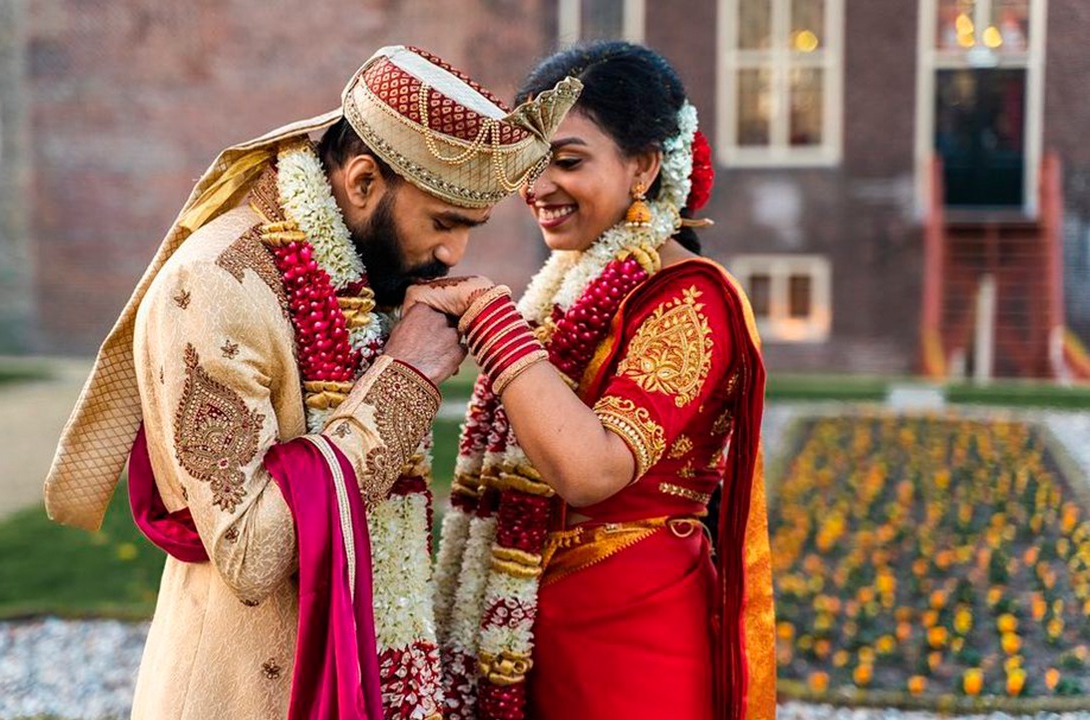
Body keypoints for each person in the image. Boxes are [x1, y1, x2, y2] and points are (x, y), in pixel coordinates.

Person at [42, 45, 580, 720]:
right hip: (244, 693)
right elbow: (250, 552)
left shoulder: (360, 272)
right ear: (362, 182)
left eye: (469, 229)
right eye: (443, 223)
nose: (453, 254)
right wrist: (405, 379)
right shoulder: (214, 285)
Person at [415, 41, 776, 720]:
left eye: (568, 161)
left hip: (633, 642)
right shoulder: (569, 289)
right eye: (530, 163)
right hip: (533, 629)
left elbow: (592, 470)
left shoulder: (690, 298)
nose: (538, 187)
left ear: (643, 167)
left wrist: (493, 322)